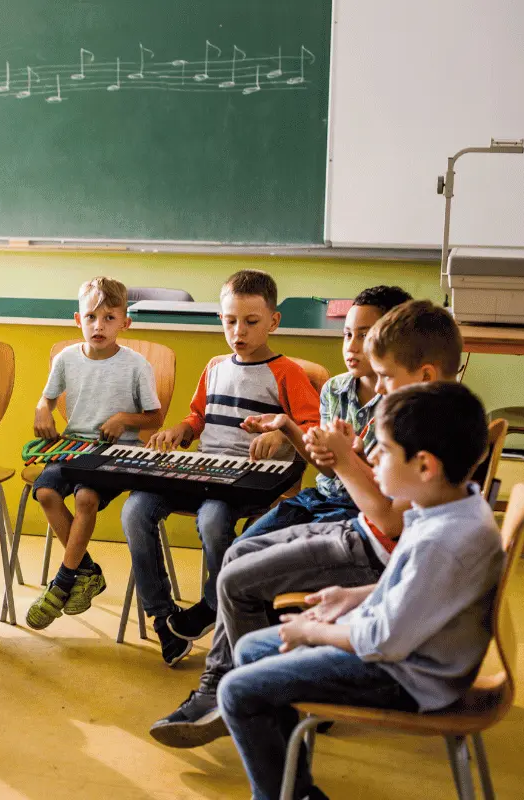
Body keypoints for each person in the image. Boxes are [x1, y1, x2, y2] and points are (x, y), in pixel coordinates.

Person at [151, 298, 464, 747]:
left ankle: (238, 690)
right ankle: (247, 684)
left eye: (386, 372)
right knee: (239, 555)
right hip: (346, 519)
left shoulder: (423, 427)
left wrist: (346, 460)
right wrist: (326, 450)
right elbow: (349, 479)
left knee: (239, 577)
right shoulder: (386, 405)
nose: (358, 352)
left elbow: (385, 516)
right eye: (349, 334)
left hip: (364, 535)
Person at [218, 382, 501, 800]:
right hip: (415, 652)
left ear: (425, 466)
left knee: (236, 689)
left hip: (410, 676)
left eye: (382, 450)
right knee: (250, 651)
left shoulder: (441, 540)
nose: (370, 458)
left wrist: (313, 633)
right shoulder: (451, 505)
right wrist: (354, 596)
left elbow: (382, 640)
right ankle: (294, 791)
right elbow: (419, 589)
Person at [121, 270, 321, 665]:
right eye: (230, 321)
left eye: (251, 322)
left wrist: (282, 435)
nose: (238, 331)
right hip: (202, 470)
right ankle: (164, 618)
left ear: (273, 322)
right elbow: (199, 417)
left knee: (213, 521)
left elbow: (311, 427)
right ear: (221, 320)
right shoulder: (214, 367)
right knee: (136, 508)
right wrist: (180, 428)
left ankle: (219, 607)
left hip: (247, 481)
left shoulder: (287, 373)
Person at [25, 277, 163, 629]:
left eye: (109, 318)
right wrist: (43, 408)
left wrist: (124, 420)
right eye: (91, 317)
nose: (98, 326)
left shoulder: (136, 366)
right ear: (78, 319)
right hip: (74, 447)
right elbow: (48, 397)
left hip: (118, 453)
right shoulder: (67, 358)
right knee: (44, 491)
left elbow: (155, 417)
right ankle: (87, 571)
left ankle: (63, 582)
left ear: (125, 323)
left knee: (86, 498)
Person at [236, 286, 412, 538]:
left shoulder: (405, 402)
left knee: (283, 560)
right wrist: (286, 425)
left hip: (362, 512)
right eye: (347, 334)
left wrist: (353, 456)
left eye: (364, 336)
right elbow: (329, 469)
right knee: (244, 545)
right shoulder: (334, 388)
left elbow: (388, 497)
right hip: (319, 499)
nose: (351, 346)